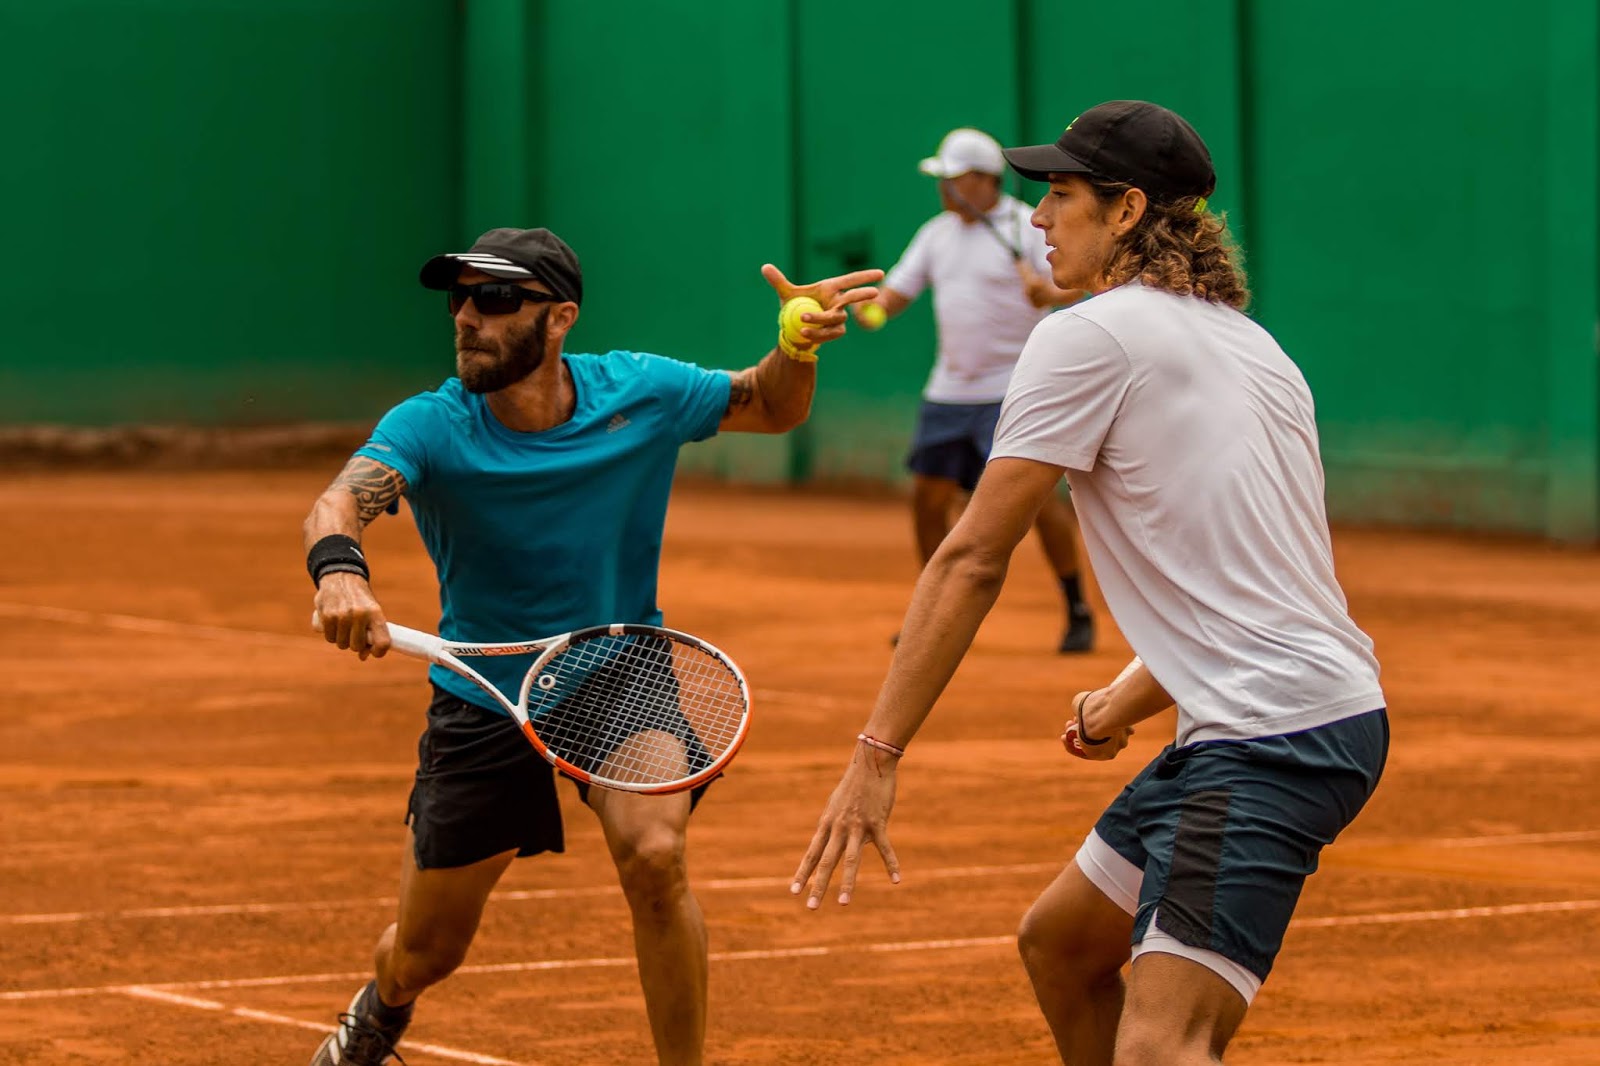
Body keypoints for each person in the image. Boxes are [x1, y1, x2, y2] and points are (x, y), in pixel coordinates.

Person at [792, 101, 1388, 1065]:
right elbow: (1257, 582)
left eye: (1059, 195)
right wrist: (1128, 695)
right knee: (1063, 947)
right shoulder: (1257, 348)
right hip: (1305, 707)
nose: (1036, 218)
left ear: (1126, 212)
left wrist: (877, 753)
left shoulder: (1089, 337)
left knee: (1164, 1046)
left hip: (1271, 731)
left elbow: (974, 555)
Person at [303, 226, 881, 1066]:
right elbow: (337, 504)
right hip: (483, 692)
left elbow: (771, 403)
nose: (467, 316)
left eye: (496, 299)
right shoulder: (430, 425)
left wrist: (793, 346)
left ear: (560, 317)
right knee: (426, 952)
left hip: (617, 667)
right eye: (460, 298)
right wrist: (338, 574)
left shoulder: (639, 392)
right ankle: (381, 1009)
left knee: (655, 854)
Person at [851, 126, 1095, 653]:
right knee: (926, 498)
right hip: (947, 393)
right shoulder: (936, 233)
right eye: (941, 180)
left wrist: (1046, 292)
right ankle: (933, 608)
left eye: (952, 179)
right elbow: (893, 297)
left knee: (1038, 507)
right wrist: (863, 313)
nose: (943, 190)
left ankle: (1076, 606)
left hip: (1013, 390)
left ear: (985, 180)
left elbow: (1078, 282)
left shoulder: (1026, 223)